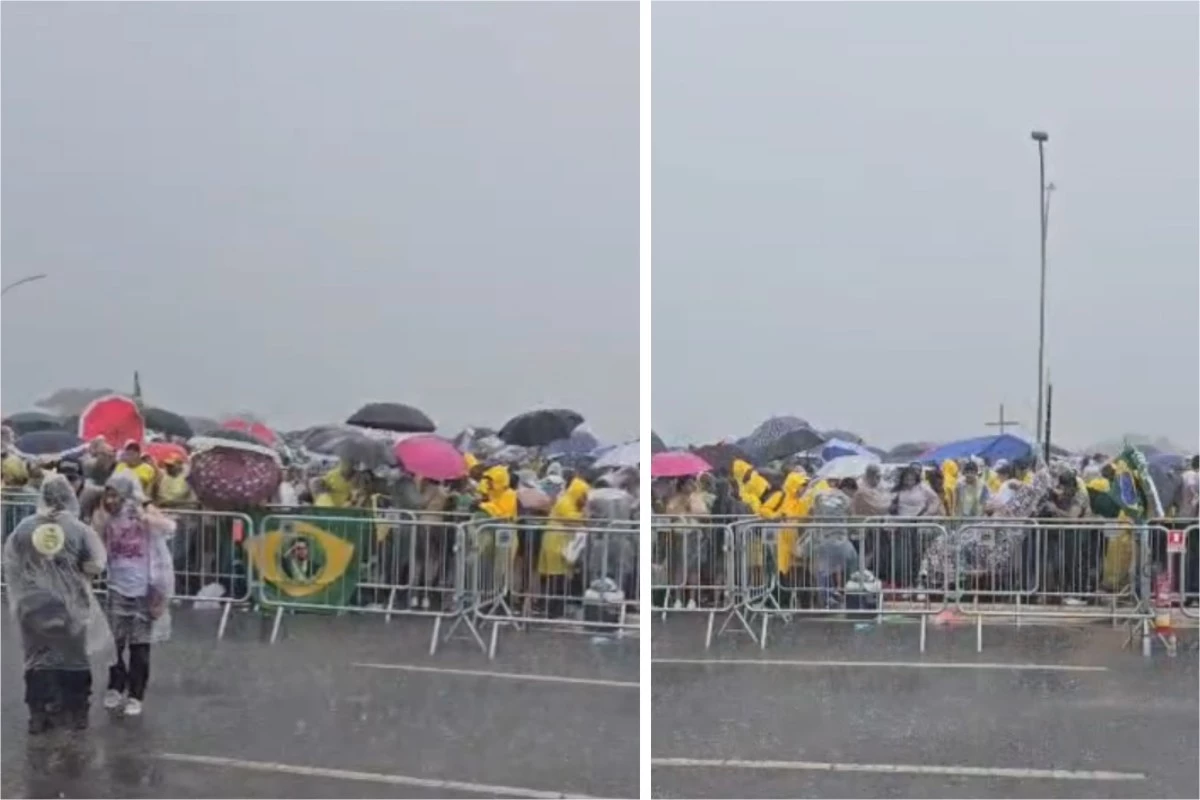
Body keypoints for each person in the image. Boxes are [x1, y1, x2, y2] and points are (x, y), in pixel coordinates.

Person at [4, 475, 110, 734]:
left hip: (33, 605)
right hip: (70, 605)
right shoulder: (79, 529)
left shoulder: (25, 527)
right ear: (69, 497)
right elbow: (96, 564)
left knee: (38, 659)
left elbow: (11, 561)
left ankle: (38, 713)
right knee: (74, 658)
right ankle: (77, 711)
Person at [92, 473, 176, 717]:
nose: (110, 500)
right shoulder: (106, 516)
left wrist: (146, 514)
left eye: (115, 495)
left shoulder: (140, 513)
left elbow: (170, 527)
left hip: (145, 589)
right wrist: (102, 517)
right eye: (107, 494)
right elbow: (96, 541)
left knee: (139, 646)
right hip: (116, 587)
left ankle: (136, 695)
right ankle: (115, 686)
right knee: (115, 644)